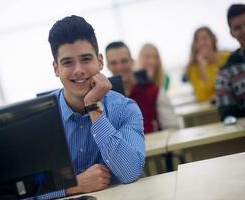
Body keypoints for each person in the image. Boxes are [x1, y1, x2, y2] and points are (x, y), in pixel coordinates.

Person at [29, 16, 145, 199]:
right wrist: (74, 185)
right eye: (67, 62)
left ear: (100, 61)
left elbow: (130, 172)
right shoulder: (37, 120)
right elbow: (25, 190)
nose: (78, 70)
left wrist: (93, 108)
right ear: (56, 68)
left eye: (85, 59)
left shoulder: (126, 109)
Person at [105, 41, 179, 134]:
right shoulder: (105, 99)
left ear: (132, 61)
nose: (120, 67)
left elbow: (173, 128)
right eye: (113, 63)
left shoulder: (155, 92)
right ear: (107, 66)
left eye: (124, 61)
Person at [185, 26, 231, 102]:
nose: (201, 43)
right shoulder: (193, 68)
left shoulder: (227, 57)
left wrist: (218, 94)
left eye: (204, 38)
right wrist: (203, 69)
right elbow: (202, 96)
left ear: (213, 39)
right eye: (197, 40)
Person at [216, 4, 245, 120]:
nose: (244, 30)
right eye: (238, 28)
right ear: (231, 33)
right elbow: (227, 113)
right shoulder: (226, 71)